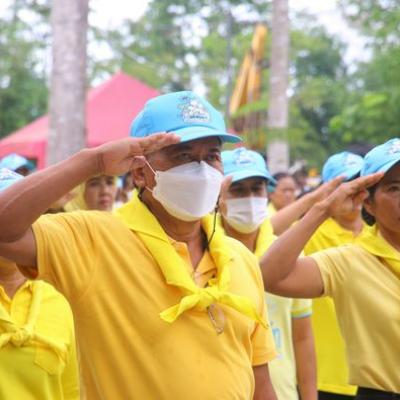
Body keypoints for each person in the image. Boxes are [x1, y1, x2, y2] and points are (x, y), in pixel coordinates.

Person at [0, 91, 277, 400]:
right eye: (183, 156)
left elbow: (260, 381)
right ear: (140, 172)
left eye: (212, 156)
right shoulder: (93, 239)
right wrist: (94, 162)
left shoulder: (241, 260)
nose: (202, 170)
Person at [260, 138, 400, 399]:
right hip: (355, 385)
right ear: (368, 202)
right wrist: (322, 207)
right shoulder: (350, 261)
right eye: (394, 188)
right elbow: (268, 276)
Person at [219, 148, 317, 400]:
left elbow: (302, 337)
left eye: (256, 189)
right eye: (238, 190)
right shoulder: (202, 252)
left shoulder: (289, 253)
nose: (250, 198)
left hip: (283, 392)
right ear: (219, 196)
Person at [0, 168, 79, 400]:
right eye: (4, 219)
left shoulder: (59, 299)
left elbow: (71, 390)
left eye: (22, 217)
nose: (11, 230)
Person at [303, 152, 365, 400]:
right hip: (328, 374)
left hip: (379, 376)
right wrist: (318, 206)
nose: (355, 192)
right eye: (345, 185)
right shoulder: (310, 232)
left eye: (361, 183)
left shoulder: (383, 231)